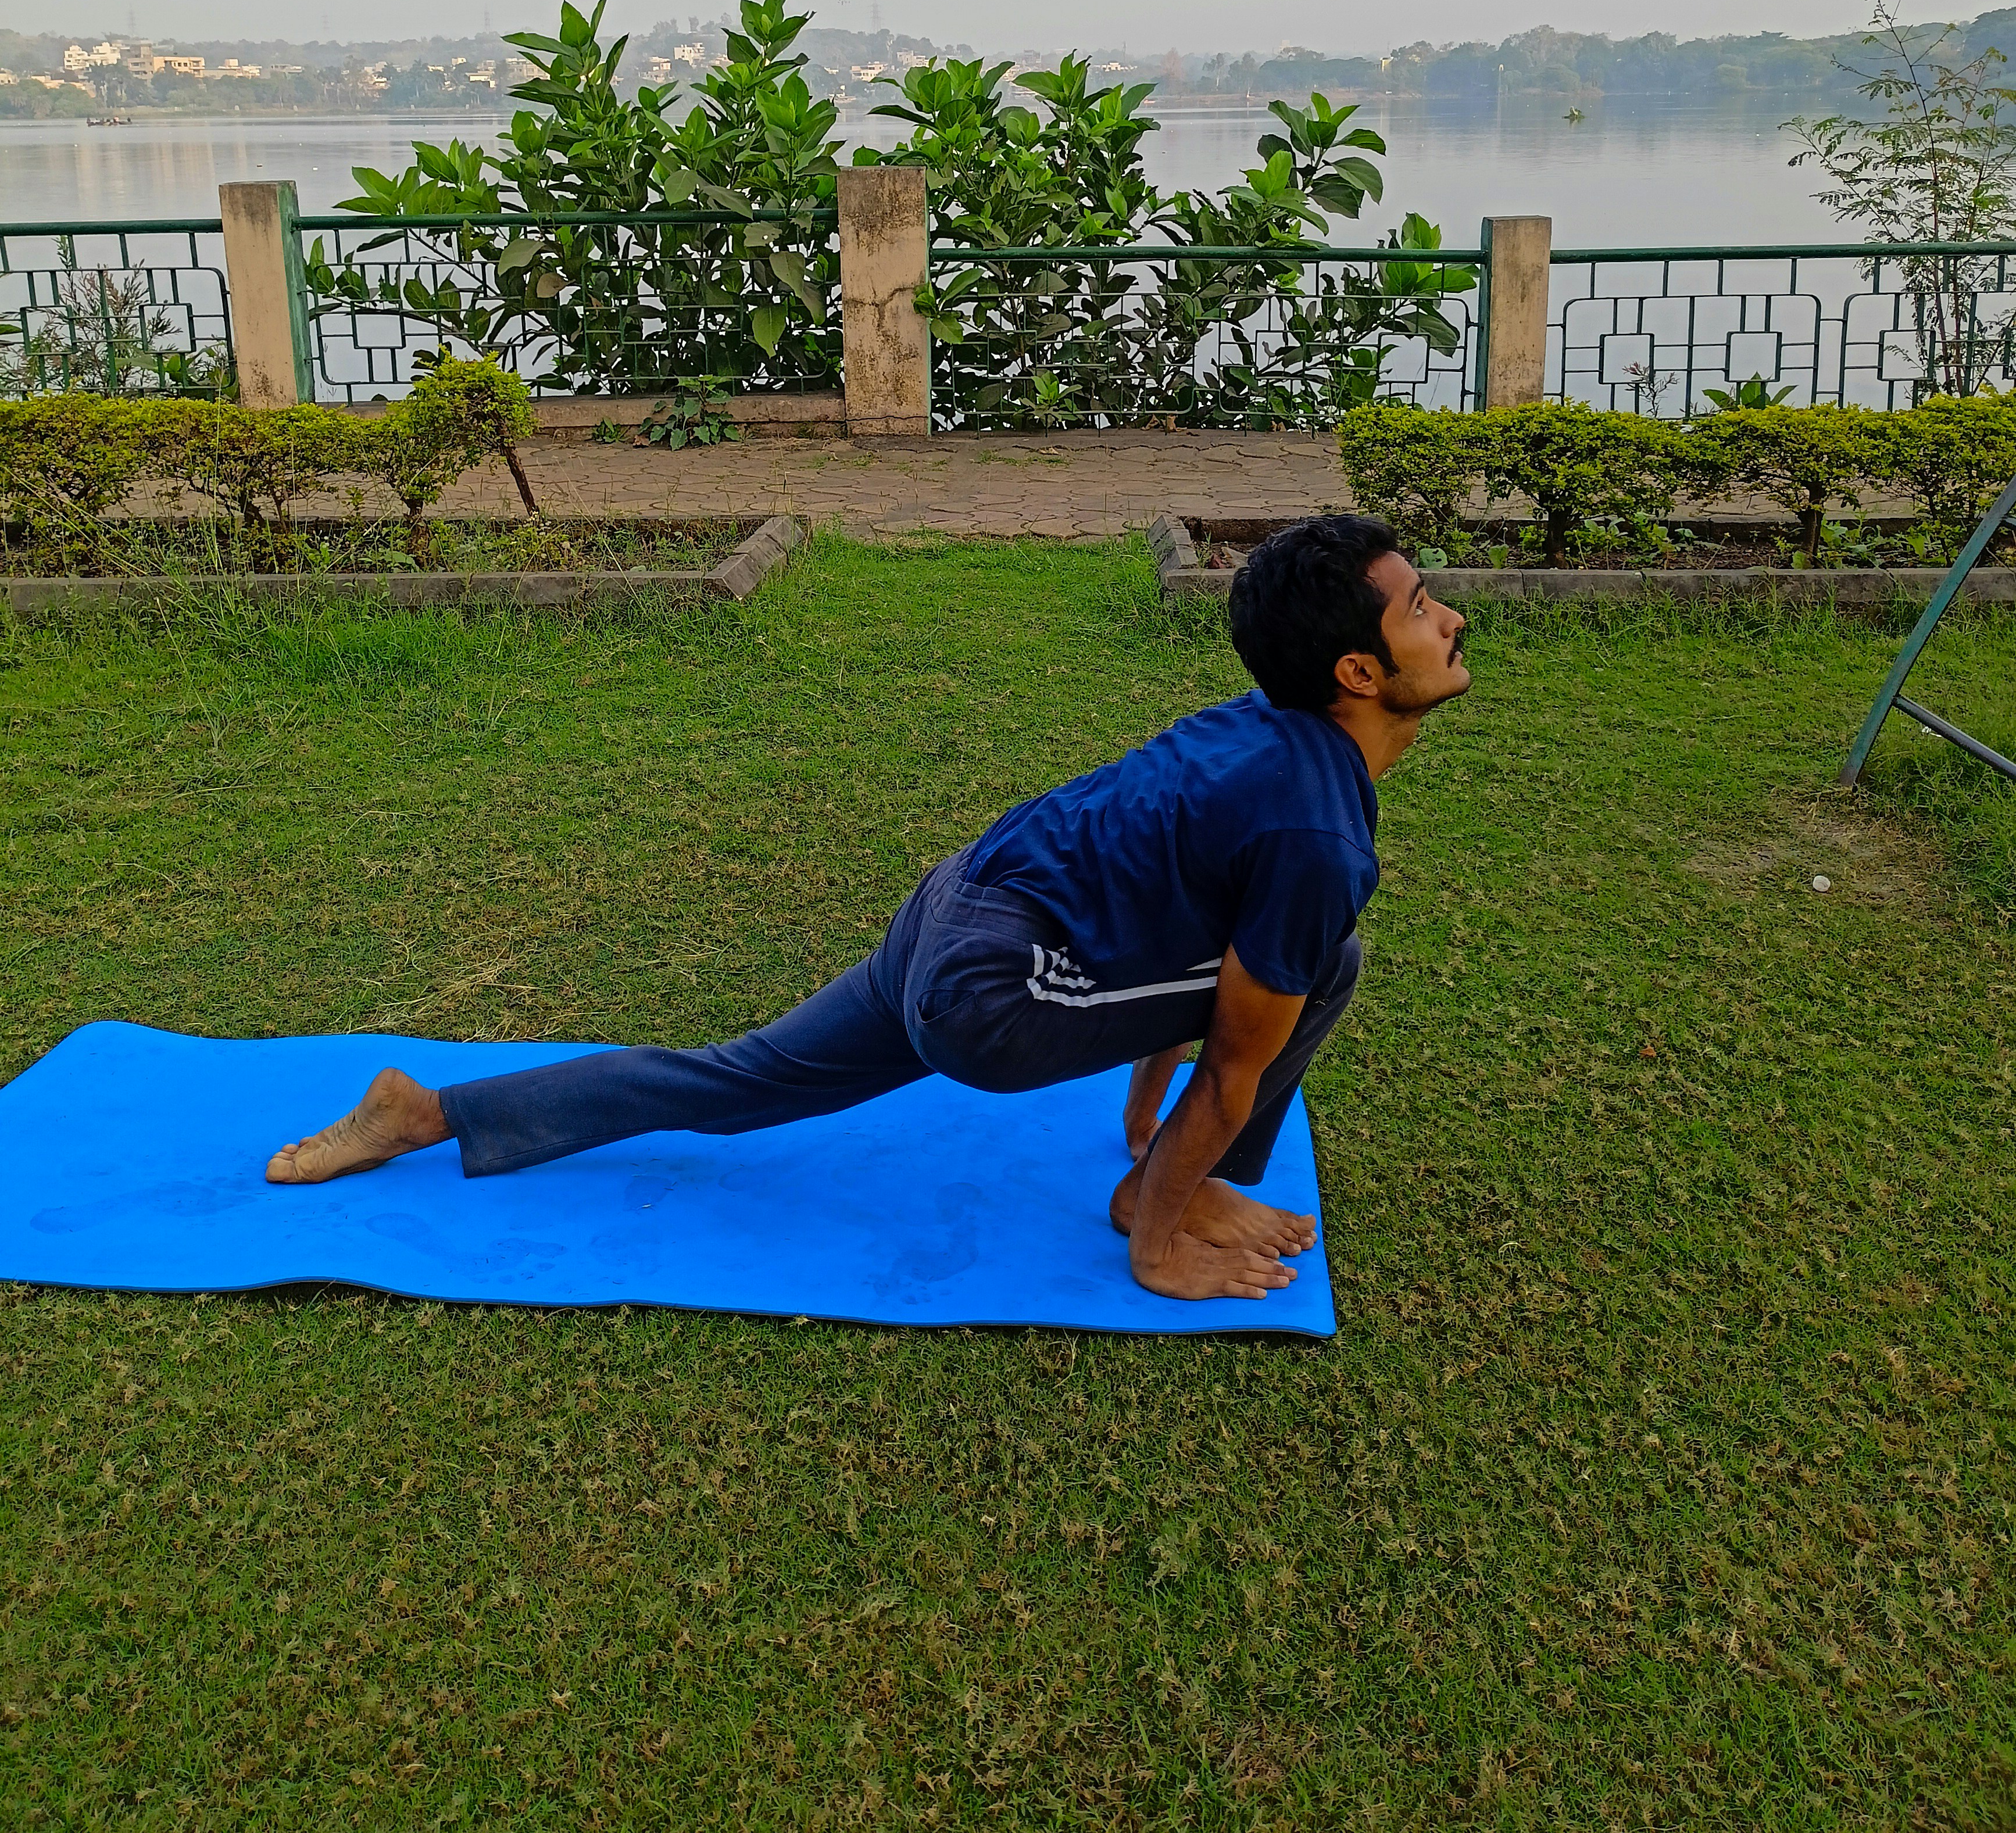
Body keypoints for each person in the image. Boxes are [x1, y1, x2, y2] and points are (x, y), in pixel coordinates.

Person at [267, 515, 1470, 1302]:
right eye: (1420, 607)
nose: (1449, 614)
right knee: (1331, 960)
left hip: (952, 912)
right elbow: (1236, 1034)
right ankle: (1169, 1214)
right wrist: (1157, 1226)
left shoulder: (1251, 729)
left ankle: (427, 1111)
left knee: (733, 1078)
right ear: (1358, 673)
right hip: (994, 993)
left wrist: (1149, 1113)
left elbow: (1177, 938)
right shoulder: (1315, 829)